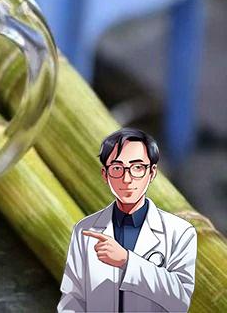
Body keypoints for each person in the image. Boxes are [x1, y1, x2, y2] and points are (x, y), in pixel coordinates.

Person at [58, 128, 197, 312]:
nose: (127, 179)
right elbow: (72, 299)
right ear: (105, 174)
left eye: (137, 168)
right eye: (117, 168)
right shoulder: (84, 230)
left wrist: (127, 261)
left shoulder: (181, 232)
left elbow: (180, 302)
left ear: (152, 172)